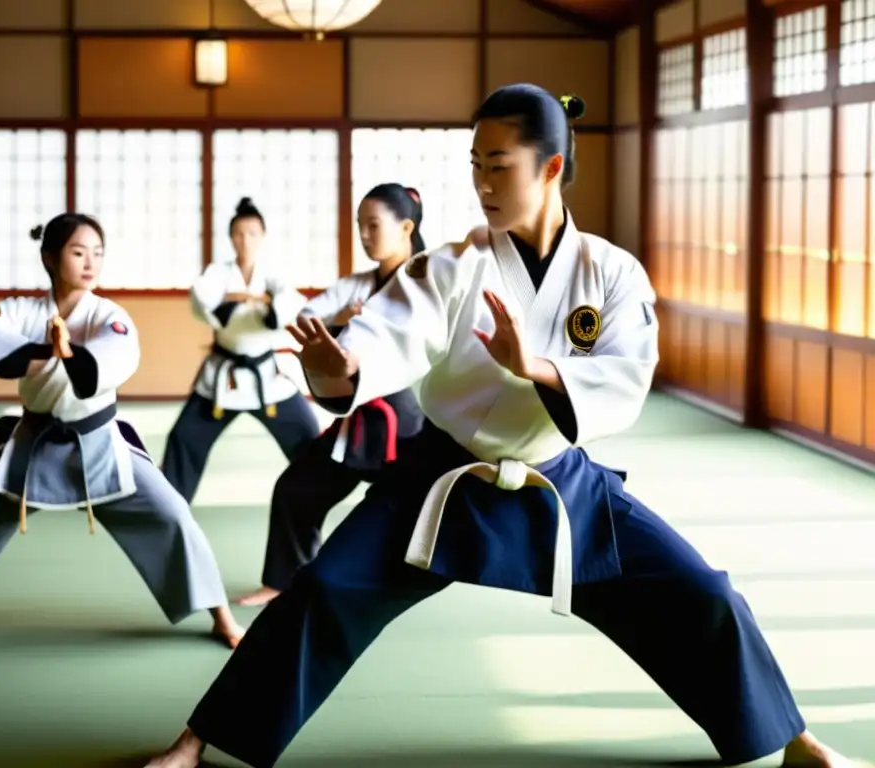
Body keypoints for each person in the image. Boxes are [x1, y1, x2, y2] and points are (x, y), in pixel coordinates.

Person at [144, 85, 861, 768]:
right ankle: (197, 740)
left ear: (550, 167)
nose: (483, 183)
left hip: (561, 484)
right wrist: (341, 365)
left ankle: (793, 739)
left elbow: (624, 379)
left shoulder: (611, 272)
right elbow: (394, 331)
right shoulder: (452, 266)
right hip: (441, 482)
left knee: (703, 593)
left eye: (499, 166)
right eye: (475, 167)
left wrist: (539, 368)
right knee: (324, 588)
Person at [0, 213, 244, 649]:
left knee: (173, 515)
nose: (90, 262)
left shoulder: (110, 315)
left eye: (98, 253)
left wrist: (68, 353)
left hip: (98, 446)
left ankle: (223, 618)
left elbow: (111, 360)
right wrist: (46, 350)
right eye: (78, 252)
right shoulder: (23, 310)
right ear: (50, 259)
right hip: (31, 448)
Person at [235, 183, 427, 607]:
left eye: (373, 225)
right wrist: (340, 320)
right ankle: (284, 581)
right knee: (296, 488)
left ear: (406, 227)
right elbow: (307, 318)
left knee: (408, 510)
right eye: (360, 226)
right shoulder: (357, 285)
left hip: (412, 422)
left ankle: (395, 585)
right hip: (358, 419)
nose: (364, 235)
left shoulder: (426, 282)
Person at [161, 197, 319, 508]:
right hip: (222, 377)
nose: (245, 239)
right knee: (182, 439)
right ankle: (169, 513)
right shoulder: (217, 272)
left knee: (310, 439)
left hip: (267, 376)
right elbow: (204, 299)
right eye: (239, 233)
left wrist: (243, 298)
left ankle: (310, 506)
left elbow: (288, 303)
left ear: (262, 236)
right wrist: (256, 299)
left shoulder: (273, 273)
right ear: (231, 237)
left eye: (252, 233)